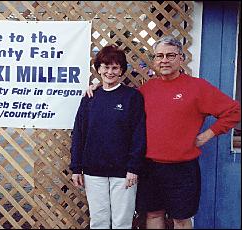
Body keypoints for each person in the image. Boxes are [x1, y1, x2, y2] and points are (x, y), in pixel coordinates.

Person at [86, 36, 241, 229]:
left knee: (181, 220)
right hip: (149, 166)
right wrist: (100, 87)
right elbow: (121, 97)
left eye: (170, 55)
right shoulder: (146, 90)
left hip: (182, 168)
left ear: (181, 58)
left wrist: (207, 135)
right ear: (154, 60)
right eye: (159, 56)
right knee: (153, 215)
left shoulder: (197, 87)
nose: (164, 60)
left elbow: (234, 111)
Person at [69, 45, 146, 229]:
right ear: (98, 69)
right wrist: (76, 168)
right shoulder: (90, 96)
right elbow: (79, 133)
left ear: (121, 71)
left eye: (115, 67)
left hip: (123, 172)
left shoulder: (132, 97)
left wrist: (133, 167)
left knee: (122, 222)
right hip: (93, 170)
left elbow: (139, 134)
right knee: (99, 221)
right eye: (105, 66)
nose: (109, 72)